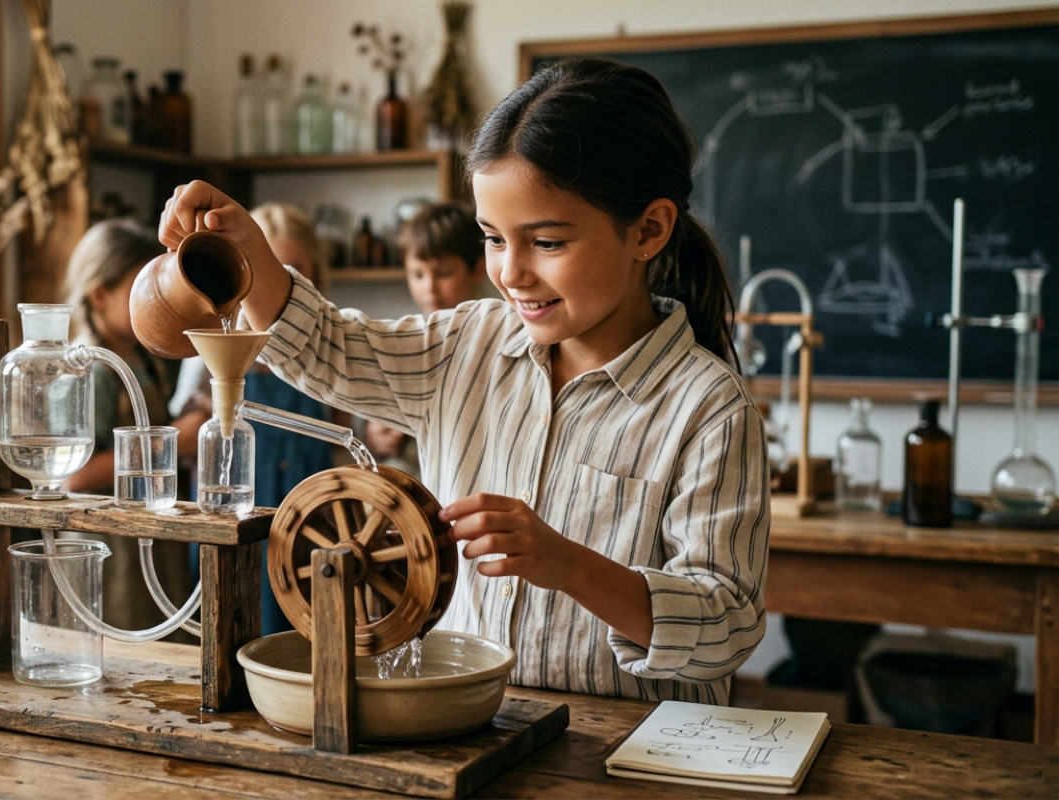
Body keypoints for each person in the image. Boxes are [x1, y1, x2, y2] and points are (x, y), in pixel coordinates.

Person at [154, 57, 768, 703]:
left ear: (648, 229)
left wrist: (569, 566)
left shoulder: (706, 407)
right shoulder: (466, 344)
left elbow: (725, 625)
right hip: (471, 726)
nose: (511, 272)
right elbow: (331, 348)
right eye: (493, 239)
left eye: (547, 243)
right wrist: (249, 245)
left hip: (629, 752)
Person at [170, 202, 342, 634]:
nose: (280, 280)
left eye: (295, 269)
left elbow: (344, 428)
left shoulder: (327, 352)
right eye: (270, 267)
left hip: (306, 517)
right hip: (234, 510)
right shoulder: (215, 346)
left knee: (299, 629)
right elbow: (184, 435)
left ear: (314, 275)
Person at [61, 218, 208, 634]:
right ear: (100, 294)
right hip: (112, 552)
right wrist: (177, 441)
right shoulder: (89, 370)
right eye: (140, 289)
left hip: (151, 541)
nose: (155, 300)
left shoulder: (143, 360)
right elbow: (77, 476)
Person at [365, 202, 488, 476]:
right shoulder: (401, 338)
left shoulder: (492, 338)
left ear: (478, 268)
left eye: (444, 273)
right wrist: (375, 431)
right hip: (406, 483)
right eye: (417, 274)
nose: (429, 287)